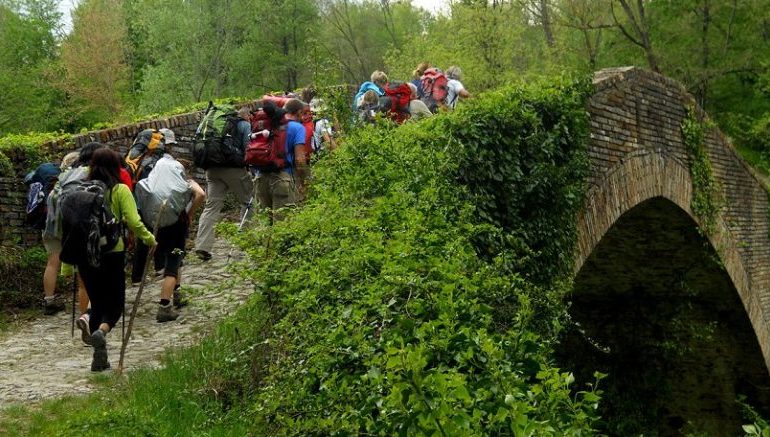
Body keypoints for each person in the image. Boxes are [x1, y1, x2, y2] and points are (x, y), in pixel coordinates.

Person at [76, 147, 155, 371]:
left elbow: (71, 227)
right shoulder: (119, 190)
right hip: (112, 252)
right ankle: (102, 332)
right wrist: (150, 239)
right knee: (115, 304)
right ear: (115, 167)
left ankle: (98, 357)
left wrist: (67, 261)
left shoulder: (80, 191)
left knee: (97, 302)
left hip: (85, 255)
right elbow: (133, 220)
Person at [194, 107, 253, 261]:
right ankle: (244, 241)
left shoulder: (212, 124)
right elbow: (249, 148)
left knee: (211, 206)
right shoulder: (244, 124)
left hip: (211, 169)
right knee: (249, 202)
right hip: (233, 169)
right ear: (247, 115)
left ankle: (202, 246)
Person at [39, 151, 79, 315]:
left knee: (52, 263)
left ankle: (49, 301)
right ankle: (83, 296)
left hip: (50, 228)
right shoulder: (76, 182)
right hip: (69, 227)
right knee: (80, 261)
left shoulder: (54, 184)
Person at [256, 98, 307, 223]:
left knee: (265, 224)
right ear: (299, 112)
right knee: (282, 225)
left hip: (260, 177)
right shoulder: (297, 128)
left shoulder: (267, 124)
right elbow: (300, 160)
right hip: (282, 178)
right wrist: (303, 182)